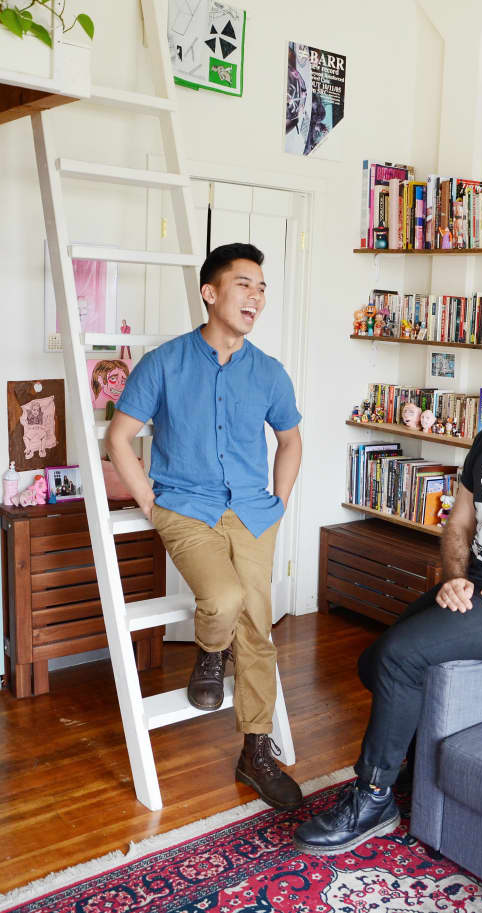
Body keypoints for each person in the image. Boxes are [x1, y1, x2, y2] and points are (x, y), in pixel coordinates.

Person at [293, 329, 482, 855]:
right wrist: (456, 577)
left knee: (397, 660)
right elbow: (458, 525)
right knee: (374, 662)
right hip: (475, 589)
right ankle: (415, 765)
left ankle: (374, 798)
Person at [106, 242, 304, 811]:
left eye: (262, 287)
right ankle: (210, 651)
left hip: (252, 513)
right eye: (244, 284)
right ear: (210, 293)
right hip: (185, 508)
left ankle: (256, 751)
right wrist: (149, 502)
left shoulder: (269, 372)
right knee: (221, 599)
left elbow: (290, 440)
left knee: (259, 631)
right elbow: (119, 438)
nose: (256, 297)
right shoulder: (164, 362)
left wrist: (279, 503)